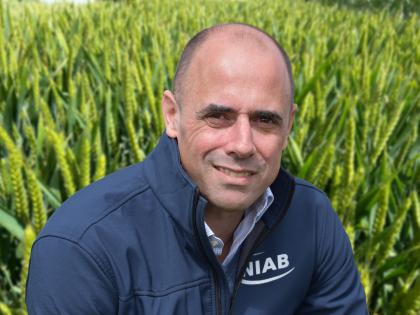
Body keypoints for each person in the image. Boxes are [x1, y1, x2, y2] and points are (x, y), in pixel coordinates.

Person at [26, 23, 369, 314]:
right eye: (218, 117)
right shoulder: (81, 247)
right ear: (172, 115)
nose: (242, 144)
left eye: (265, 120)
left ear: (289, 125)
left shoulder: (311, 217)